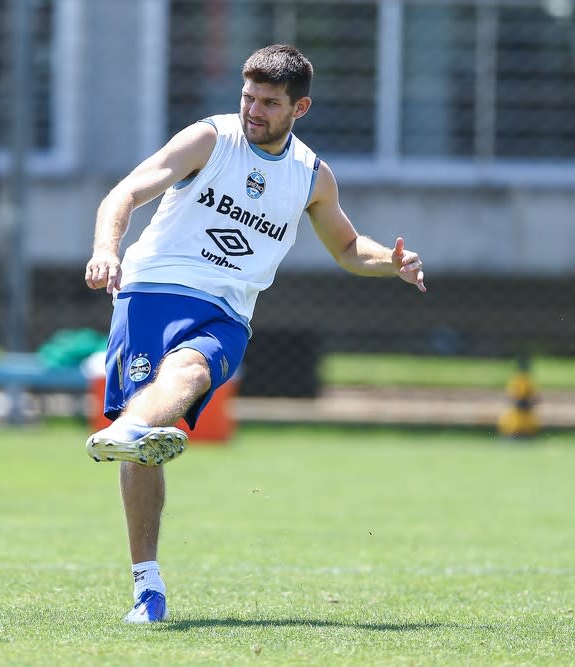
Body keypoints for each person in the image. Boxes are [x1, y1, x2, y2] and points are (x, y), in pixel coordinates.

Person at [83, 44, 426, 624]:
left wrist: (390, 261)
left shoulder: (311, 176)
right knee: (143, 446)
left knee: (186, 376)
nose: (254, 110)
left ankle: (134, 426)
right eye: (248, 97)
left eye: (269, 102)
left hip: (226, 312)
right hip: (150, 292)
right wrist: (104, 250)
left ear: (301, 108)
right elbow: (125, 193)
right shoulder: (209, 140)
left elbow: (347, 247)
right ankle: (148, 584)